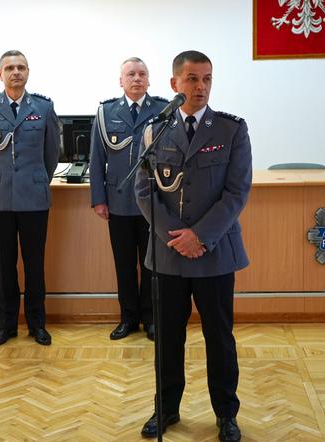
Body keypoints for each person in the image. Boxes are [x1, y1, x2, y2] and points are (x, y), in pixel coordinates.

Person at [134, 50, 252, 441]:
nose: (200, 87)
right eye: (192, 79)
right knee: (168, 339)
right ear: (174, 84)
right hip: (169, 255)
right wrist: (177, 237)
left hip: (214, 252)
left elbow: (236, 193)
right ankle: (165, 409)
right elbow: (143, 190)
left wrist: (199, 236)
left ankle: (226, 415)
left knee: (219, 337)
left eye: (206, 80)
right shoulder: (155, 131)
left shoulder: (231, 130)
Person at [0, 50, 60, 347]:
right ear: (0, 74)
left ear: (28, 72)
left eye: (21, 67)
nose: (16, 72)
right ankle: (6, 325)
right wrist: (0, 176)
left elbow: (51, 153)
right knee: (4, 265)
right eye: (9, 68)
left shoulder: (44, 107)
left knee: (35, 264)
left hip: (34, 197)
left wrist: (35, 178)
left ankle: (37, 324)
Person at [89, 57, 168, 341]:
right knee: (123, 264)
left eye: (142, 74)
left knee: (151, 264)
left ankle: (151, 318)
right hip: (119, 201)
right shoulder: (106, 112)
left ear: (149, 80)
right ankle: (128, 318)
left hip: (153, 203)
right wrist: (99, 198)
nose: (136, 79)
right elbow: (96, 159)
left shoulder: (163, 110)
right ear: (120, 81)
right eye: (130, 74)